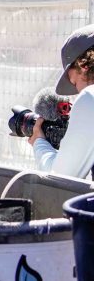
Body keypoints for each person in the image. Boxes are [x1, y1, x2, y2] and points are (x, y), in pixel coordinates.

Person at [29, 25, 94, 179]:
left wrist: (39, 143)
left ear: (83, 65)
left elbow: (60, 177)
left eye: (74, 82)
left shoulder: (89, 98)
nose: (77, 90)